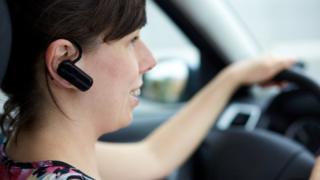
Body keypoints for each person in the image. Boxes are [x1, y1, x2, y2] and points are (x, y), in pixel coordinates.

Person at [0, 0, 296, 179]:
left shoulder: (24, 154)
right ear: (66, 60)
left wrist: (232, 77)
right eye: (131, 41)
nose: (149, 61)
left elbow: (153, 157)